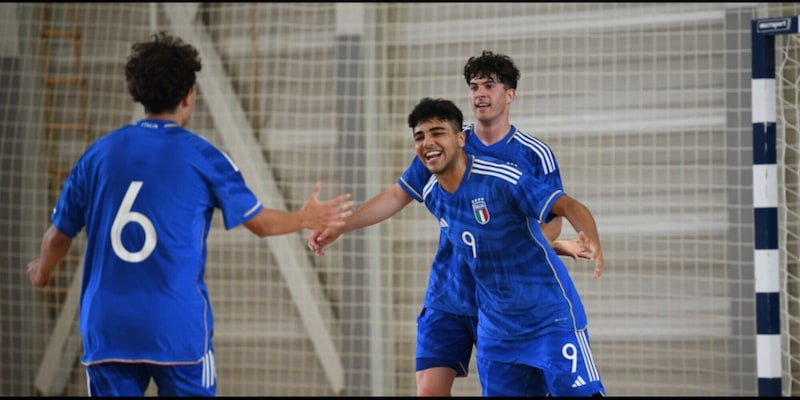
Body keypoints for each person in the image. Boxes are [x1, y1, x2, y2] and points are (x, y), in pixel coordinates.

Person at [26, 31, 355, 397]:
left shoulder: (98, 154)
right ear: (188, 96)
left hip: (108, 328)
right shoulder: (202, 156)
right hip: (175, 327)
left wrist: (42, 270)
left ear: (138, 92)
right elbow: (260, 224)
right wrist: (304, 217)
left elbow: (58, 236)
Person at [308, 50, 589, 396]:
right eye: (473, 87)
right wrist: (341, 225)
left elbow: (552, 223)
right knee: (428, 390)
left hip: (507, 304)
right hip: (451, 291)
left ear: (511, 94)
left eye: (490, 85)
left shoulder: (533, 155)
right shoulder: (444, 142)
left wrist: (538, 249)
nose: (480, 94)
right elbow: (398, 195)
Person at [408, 97, 606, 396]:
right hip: (496, 328)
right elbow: (484, 245)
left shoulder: (504, 176)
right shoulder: (434, 195)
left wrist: (590, 238)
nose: (428, 143)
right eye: (419, 136)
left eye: (437, 133)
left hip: (547, 318)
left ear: (461, 138)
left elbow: (566, 205)